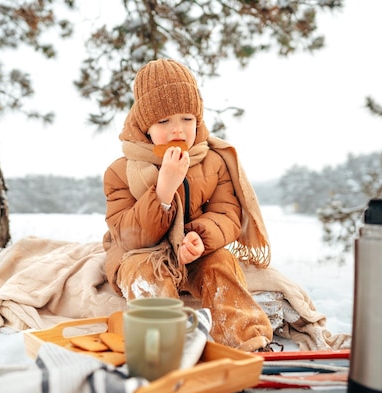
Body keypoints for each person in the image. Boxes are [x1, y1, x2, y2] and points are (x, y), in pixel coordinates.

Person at [102, 58, 274, 352]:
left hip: (194, 253)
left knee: (222, 264)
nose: (177, 130)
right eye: (163, 121)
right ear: (145, 126)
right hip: (142, 253)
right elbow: (129, 236)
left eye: (187, 119)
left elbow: (227, 214)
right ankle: (163, 347)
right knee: (143, 273)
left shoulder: (213, 161)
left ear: (199, 120)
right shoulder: (120, 171)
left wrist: (199, 236)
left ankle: (248, 342)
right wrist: (163, 190)